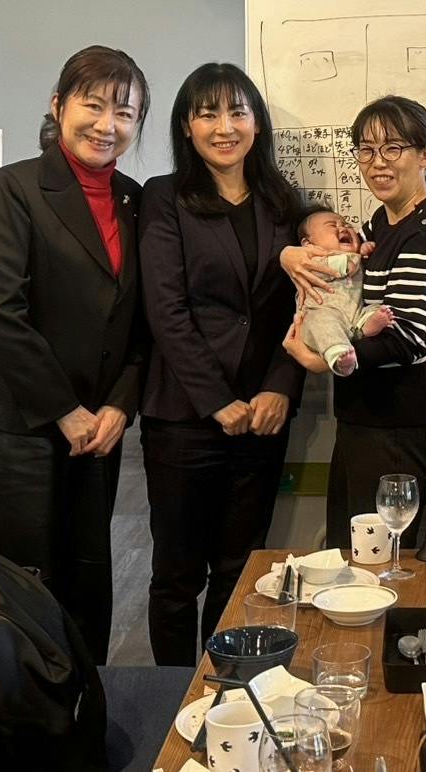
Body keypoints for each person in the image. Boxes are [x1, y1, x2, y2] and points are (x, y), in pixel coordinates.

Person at [0, 45, 150, 663]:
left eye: (125, 112)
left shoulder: (135, 200)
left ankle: (86, 701)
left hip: (97, 429)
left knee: (88, 578)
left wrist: (119, 407)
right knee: (18, 584)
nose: (107, 125)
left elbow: (141, 321)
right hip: (18, 424)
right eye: (94, 105)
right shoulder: (13, 188)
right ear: (59, 105)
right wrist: (65, 410)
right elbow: (0, 311)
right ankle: (15, 709)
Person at [137, 63, 306, 667]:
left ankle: (224, 685)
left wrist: (281, 386)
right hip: (183, 417)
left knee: (240, 568)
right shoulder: (164, 196)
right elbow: (166, 308)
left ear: (257, 124)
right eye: (207, 114)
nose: (224, 127)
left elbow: (305, 307)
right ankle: (172, 693)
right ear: (187, 126)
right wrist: (216, 400)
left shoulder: (284, 203)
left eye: (237, 112)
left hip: (263, 415)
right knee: (177, 573)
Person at [282, 96, 426, 549]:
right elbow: (330, 260)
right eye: (366, 150)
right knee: (354, 558)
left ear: (425, 155)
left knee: (384, 566)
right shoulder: (381, 226)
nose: (378, 162)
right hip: (367, 420)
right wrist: (288, 254)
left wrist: (321, 360)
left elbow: (406, 341)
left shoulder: (425, 235)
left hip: (398, 427)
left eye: (393, 148)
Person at [294, 206, 395, 376]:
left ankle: (364, 328)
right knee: (323, 323)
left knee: (376, 309)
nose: (343, 228)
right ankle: (339, 357)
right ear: (308, 244)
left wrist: (363, 252)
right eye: (332, 225)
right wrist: (350, 259)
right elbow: (329, 268)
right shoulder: (310, 261)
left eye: (347, 225)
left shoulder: (354, 257)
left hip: (355, 312)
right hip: (322, 313)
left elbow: (358, 265)